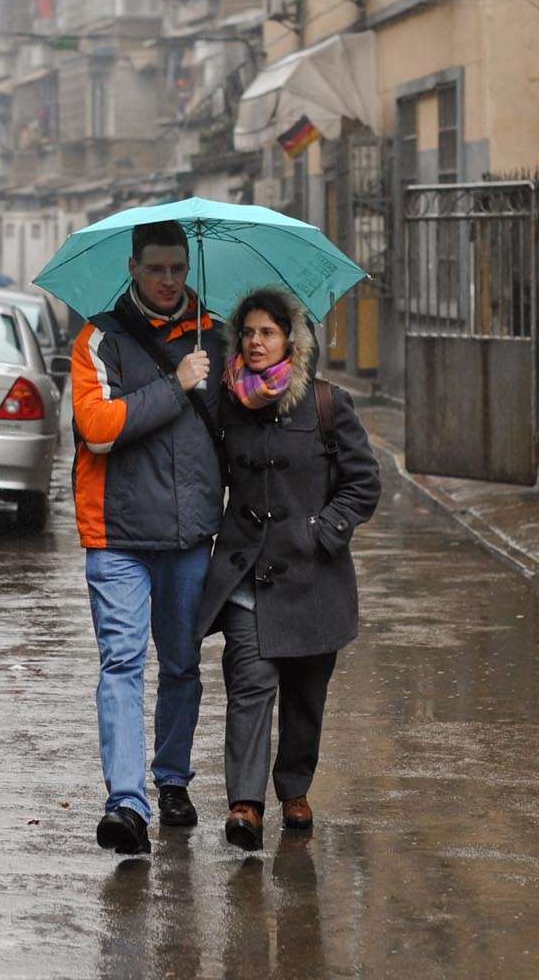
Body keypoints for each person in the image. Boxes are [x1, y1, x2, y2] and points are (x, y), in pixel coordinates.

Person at [195, 287, 381, 851]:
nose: (255, 342)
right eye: (247, 332)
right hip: (248, 575)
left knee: (305, 695)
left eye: (267, 333)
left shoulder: (327, 403)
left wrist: (322, 531)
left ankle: (293, 788)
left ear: (289, 341)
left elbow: (363, 483)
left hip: (313, 577)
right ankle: (245, 805)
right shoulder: (223, 403)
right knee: (249, 685)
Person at [70, 219, 224, 856]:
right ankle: (126, 805)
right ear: (133, 268)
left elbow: (246, 418)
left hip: (190, 536)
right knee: (123, 664)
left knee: (183, 666)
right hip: (119, 536)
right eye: (156, 269)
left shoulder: (215, 334)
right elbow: (98, 427)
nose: (168, 282)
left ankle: (172, 780)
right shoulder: (100, 339)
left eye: (178, 270)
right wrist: (176, 383)